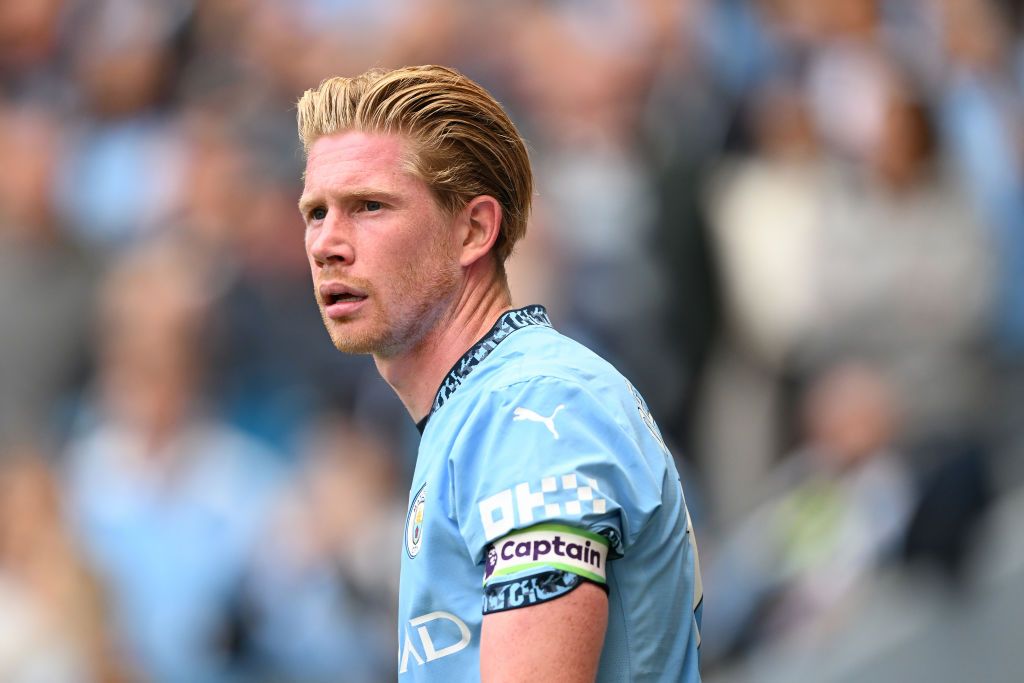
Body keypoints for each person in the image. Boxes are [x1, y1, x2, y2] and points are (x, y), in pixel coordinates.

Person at [295, 65, 702, 682]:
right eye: (316, 212)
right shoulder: (478, 408)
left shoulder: (531, 408)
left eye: (369, 206)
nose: (328, 242)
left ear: (474, 229)